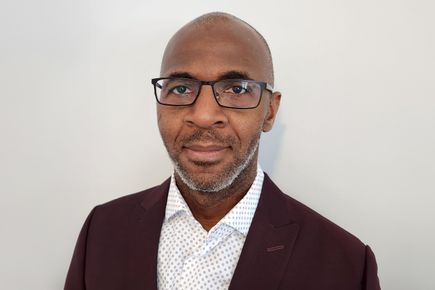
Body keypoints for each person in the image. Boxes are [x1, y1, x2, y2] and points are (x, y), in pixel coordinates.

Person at [65, 12, 381, 290]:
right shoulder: (102, 231)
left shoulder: (345, 265)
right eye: (181, 88)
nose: (203, 115)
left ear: (269, 112)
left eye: (237, 89)